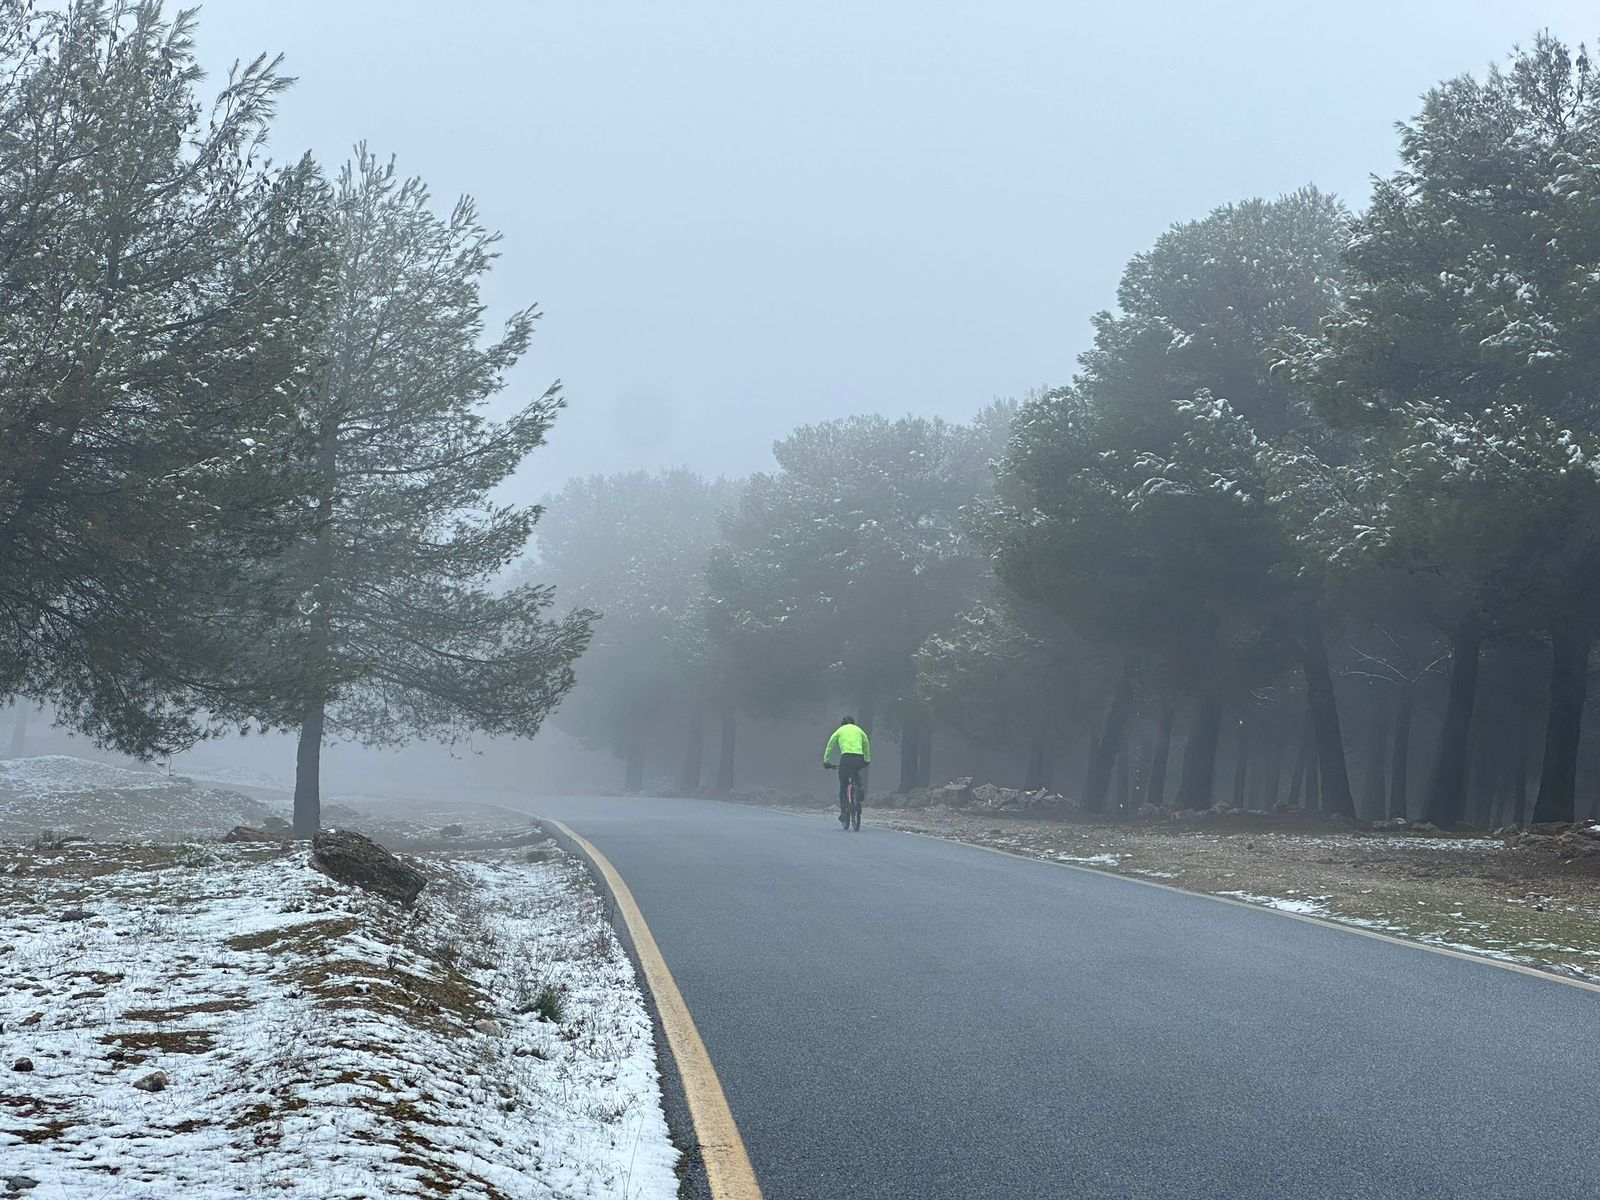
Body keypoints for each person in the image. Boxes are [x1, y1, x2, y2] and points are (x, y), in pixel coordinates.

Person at [822, 716, 870, 828]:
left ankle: (844, 813)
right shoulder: (859, 730)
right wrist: (867, 759)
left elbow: (830, 745)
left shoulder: (840, 730)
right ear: (853, 723)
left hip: (846, 758)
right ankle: (859, 791)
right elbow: (866, 743)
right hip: (859, 757)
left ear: (842, 724)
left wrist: (826, 761)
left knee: (843, 785)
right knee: (855, 774)